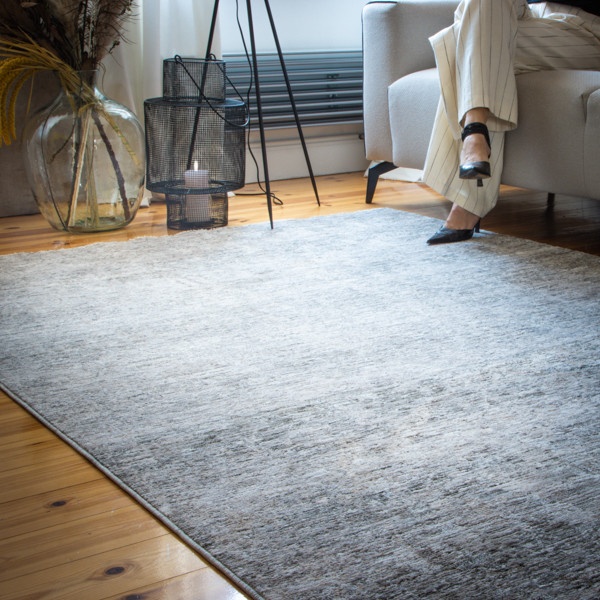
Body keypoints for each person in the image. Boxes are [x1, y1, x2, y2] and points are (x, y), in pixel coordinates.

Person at [423, 0, 600, 245]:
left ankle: (471, 173)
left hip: (587, 28)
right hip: (537, 15)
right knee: (482, 19)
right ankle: (475, 133)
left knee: (467, 39)